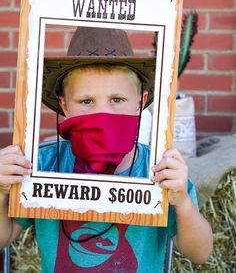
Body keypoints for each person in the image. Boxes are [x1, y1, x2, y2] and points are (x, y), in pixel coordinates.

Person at [0, 27, 212, 272]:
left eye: (117, 100)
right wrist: (2, 193)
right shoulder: (40, 165)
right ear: (64, 106)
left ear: (140, 103)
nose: (103, 115)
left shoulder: (159, 170)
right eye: (86, 101)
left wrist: (182, 202)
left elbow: (201, 253)